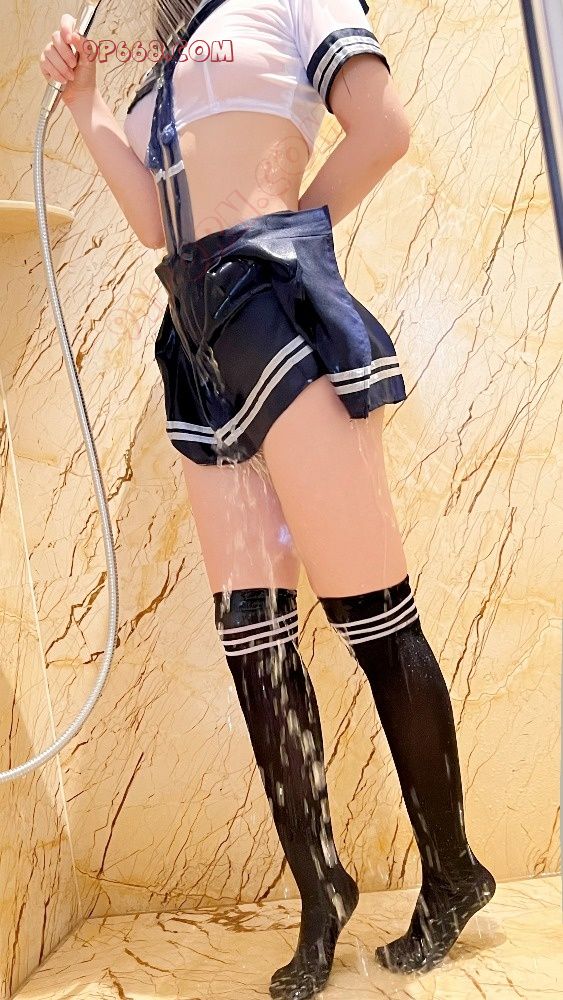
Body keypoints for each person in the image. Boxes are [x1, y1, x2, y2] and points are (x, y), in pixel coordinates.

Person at [39, 2, 496, 997]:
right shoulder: (161, 58)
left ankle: (452, 869)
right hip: (195, 342)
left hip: (276, 317)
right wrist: (86, 104)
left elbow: (382, 127)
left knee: (373, 616)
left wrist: (283, 244)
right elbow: (156, 222)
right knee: (252, 636)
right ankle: (319, 887)